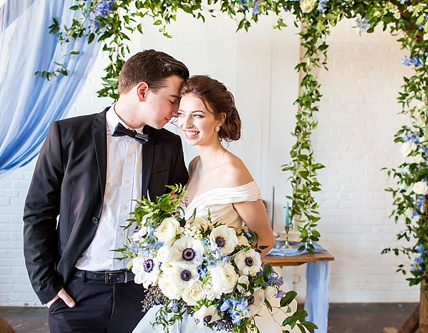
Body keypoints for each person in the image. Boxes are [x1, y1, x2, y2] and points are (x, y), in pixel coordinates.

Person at [23, 49, 190, 333]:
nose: (176, 112)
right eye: (173, 100)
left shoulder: (169, 146)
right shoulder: (67, 135)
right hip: (75, 296)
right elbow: (38, 214)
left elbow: (179, 214)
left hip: (141, 296)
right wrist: (47, 287)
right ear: (142, 91)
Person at [134, 75, 299, 333]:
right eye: (182, 114)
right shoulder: (195, 166)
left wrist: (219, 278)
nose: (186, 123)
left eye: (198, 115)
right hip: (193, 298)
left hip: (221, 299)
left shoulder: (233, 171)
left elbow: (265, 239)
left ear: (219, 119)